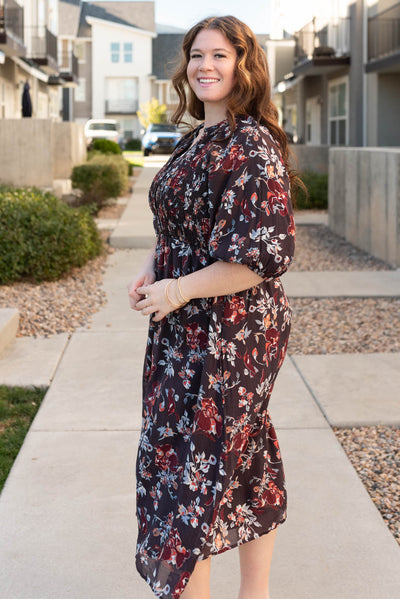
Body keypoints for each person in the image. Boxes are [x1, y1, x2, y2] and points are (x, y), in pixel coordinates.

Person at [128, 15, 298, 599]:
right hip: (183, 330)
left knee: (189, 474)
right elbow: (181, 227)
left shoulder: (250, 144)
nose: (206, 65)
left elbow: (262, 255)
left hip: (232, 332)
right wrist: (155, 268)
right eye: (197, 54)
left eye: (221, 55)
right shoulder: (195, 138)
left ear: (244, 65)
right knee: (240, 458)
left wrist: (178, 289)